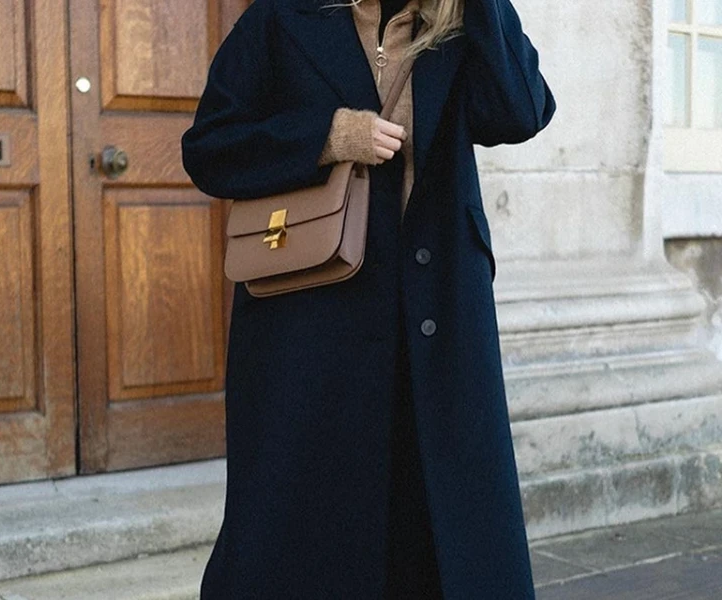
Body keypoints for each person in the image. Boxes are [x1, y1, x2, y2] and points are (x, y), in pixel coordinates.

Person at [181, 0, 555, 597]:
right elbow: (209, 148)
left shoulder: (459, 30)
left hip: (435, 319)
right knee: (302, 527)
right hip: (307, 320)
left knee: (438, 529)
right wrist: (329, 136)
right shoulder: (281, 18)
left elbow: (522, 111)